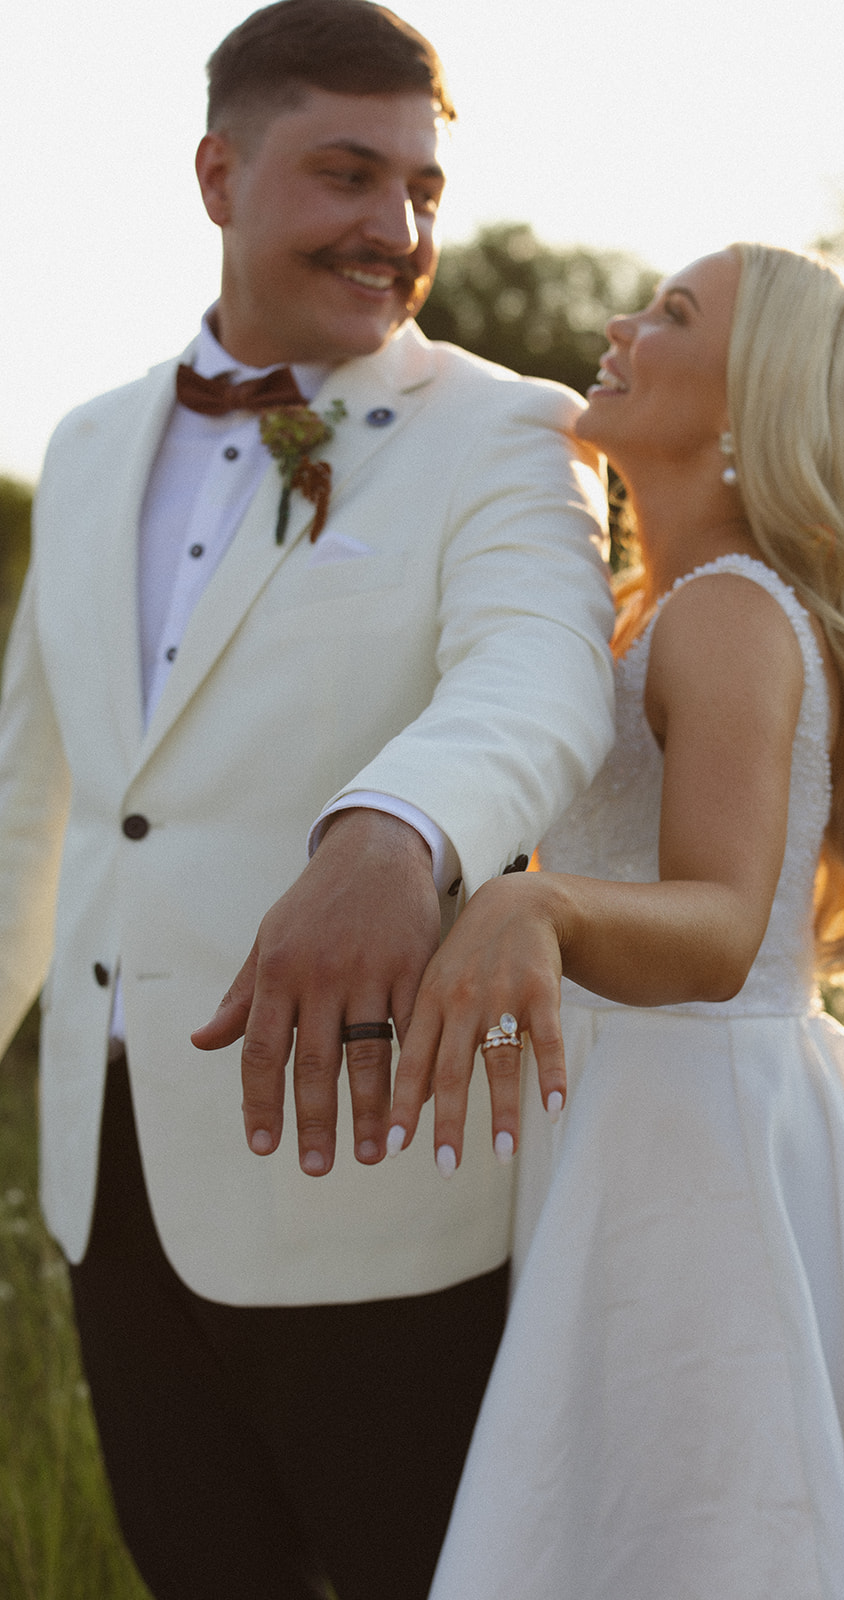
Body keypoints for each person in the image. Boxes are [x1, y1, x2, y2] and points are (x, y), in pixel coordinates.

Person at [0, 3, 614, 1596]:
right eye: (350, 175)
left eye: (423, 189)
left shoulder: (513, 430)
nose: (397, 230)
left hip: (380, 1180)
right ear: (219, 171)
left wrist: (396, 828)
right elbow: (32, 809)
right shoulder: (78, 445)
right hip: (114, 1183)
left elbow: (537, 677)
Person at [387, 244, 844, 1599]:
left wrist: (535, 900)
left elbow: (718, 926)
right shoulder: (662, 608)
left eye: (673, 314)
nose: (621, 323)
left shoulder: (730, 614)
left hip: (696, 1144)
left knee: (707, 1528)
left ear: (753, 409)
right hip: (645, 1117)